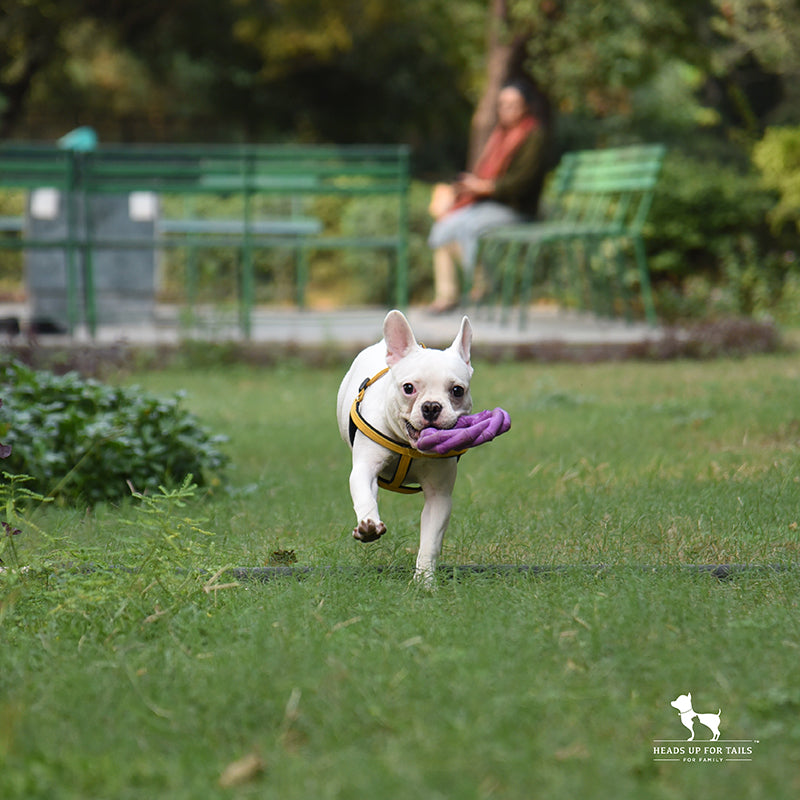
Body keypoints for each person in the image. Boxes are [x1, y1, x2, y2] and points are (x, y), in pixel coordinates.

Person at [427, 80, 548, 312]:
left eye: (513, 104)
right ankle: (446, 296)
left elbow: (522, 182)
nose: (506, 109)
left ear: (525, 107)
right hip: (489, 204)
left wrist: (483, 187)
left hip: (516, 208)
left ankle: (480, 291)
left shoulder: (533, 135)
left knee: (468, 225)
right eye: (502, 104)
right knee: (445, 225)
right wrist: (470, 188)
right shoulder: (499, 136)